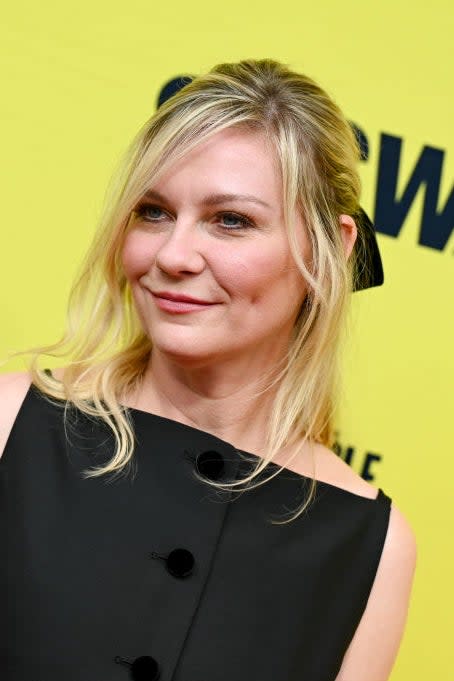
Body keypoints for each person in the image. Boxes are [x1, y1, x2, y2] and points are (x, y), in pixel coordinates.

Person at [0, 59, 417, 681]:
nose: (172, 255)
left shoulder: (372, 546)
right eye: (154, 212)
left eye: (231, 221)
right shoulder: (11, 424)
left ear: (332, 248)